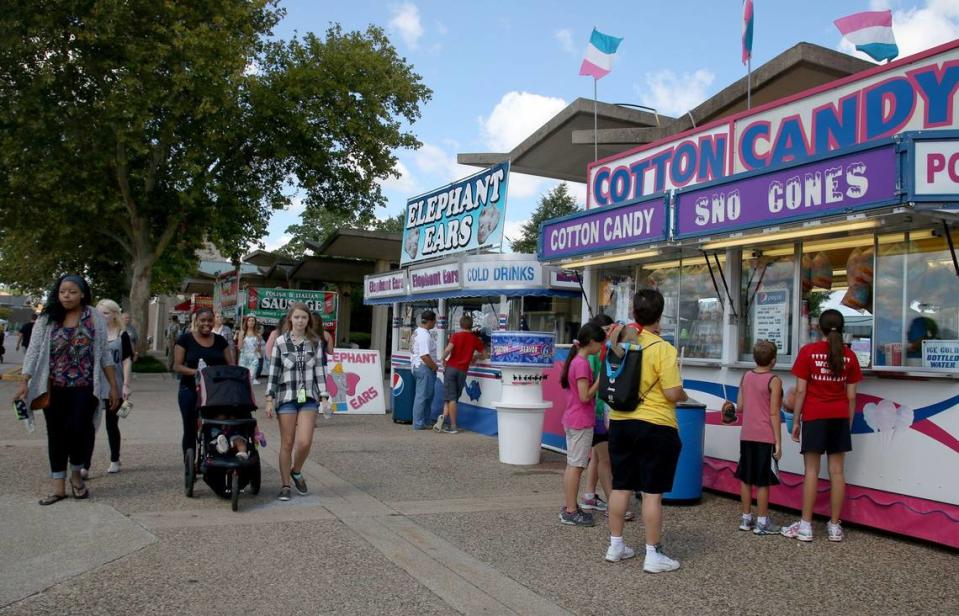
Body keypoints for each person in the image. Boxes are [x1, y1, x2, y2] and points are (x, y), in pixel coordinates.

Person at [14, 274, 120, 505]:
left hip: (84, 388)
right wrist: (25, 381)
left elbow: (104, 354)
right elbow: (33, 351)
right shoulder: (48, 317)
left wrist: (113, 387)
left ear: (82, 293)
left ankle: (77, 475)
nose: (67, 296)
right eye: (63, 292)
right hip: (54, 387)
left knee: (80, 431)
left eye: (72, 292)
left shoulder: (94, 317)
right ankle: (58, 486)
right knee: (56, 434)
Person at [604, 289, 688, 572]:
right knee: (652, 493)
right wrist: (683, 395)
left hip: (620, 421)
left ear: (635, 313)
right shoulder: (663, 348)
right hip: (655, 425)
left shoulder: (621, 341)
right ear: (660, 314)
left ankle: (615, 546)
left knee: (621, 486)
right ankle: (653, 554)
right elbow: (672, 392)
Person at [782, 309, 862, 543]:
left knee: (811, 472)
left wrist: (796, 421)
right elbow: (851, 397)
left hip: (815, 416)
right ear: (842, 327)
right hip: (839, 417)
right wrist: (847, 424)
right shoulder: (850, 356)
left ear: (820, 328)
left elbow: (801, 391)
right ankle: (835, 527)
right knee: (837, 472)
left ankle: (806, 526)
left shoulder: (808, 352)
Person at [264, 304, 330, 501]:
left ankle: (296, 470)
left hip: (308, 396)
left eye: (304, 317)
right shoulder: (280, 342)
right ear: (290, 319)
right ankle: (285, 485)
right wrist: (269, 399)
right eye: (297, 317)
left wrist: (324, 397)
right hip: (286, 397)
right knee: (287, 442)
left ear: (308, 320)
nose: (300, 321)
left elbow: (320, 371)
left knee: (304, 441)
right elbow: (274, 372)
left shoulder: (315, 342)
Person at [579, 314, 635, 523]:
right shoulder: (594, 356)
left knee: (597, 456)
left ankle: (589, 495)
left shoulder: (589, 355)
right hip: (598, 413)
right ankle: (613, 502)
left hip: (597, 413)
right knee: (605, 459)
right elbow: (594, 387)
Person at [559, 323, 606, 527]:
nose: (601, 347)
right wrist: (601, 380)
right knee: (576, 466)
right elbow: (585, 395)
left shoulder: (576, 360)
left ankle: (570, 506)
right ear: (593, 342)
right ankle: (570, 510)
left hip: (572, 418)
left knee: (573, 464)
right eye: (601, 343)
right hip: (581, 420)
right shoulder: (582, 364)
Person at [734, 340, 783, 535]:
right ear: (773, 360)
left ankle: (746, 518)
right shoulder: (774, 380)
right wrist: (778, 441)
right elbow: (774, 413)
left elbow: (740, 406)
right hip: (765, 436)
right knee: (763, 480)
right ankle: (763, 521)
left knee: (746, 477)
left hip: (747, 434)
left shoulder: (746, 376)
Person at [173, 308, 235, 458]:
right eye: (203, 320)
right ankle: (190, 461)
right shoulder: (185, 339)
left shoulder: (220, 341)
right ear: (196, 321)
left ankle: (213, 454)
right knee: (190, 428)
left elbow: (231, 365)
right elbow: (177, 366)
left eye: (209, 320)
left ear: (214, 321)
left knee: (215, 424)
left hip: (216, 392)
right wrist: (197, 372)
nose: (206, 323)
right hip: (190, 388)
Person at [83, 299, 133, 476]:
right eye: (99, 313)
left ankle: (115, 459)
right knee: (89, 426)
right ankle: (84, 465)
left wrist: (126, 385)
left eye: (105, 313)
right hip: (94, 385)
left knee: (112, 425)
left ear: (114, 315)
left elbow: (127, 360)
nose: (101, 316)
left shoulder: (122, 335)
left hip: (115, 386)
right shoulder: (90, 334)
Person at [435, 315, 485, 434]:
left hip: (451, 368)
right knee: (452, 397)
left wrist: (442, 359)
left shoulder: (456, 336)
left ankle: (453, 426)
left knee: (450, 397)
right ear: (471, 325)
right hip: (463, 371)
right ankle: (444, 417)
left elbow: (448, 349)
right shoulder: (475, 339)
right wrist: (475, 356)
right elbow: (484, 354)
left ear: (461, 324)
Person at [410, 310, 438, 430]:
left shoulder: (417, 331)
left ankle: (424, 420)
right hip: (423, 367)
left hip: (416, 366)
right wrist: (434, 367)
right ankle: (418, 423)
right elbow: (424, 355)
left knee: (426, 395)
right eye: (435, 321)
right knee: (422, 396)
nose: (435, 323)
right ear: (431, 321)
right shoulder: (424, 335)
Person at [236, 315, 262, 384]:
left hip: (254, 358)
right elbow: (239, 347)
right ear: (246, 322)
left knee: (251, 378)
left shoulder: (258, 334)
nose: (251, 322)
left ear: (255, 323)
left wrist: (258, 349)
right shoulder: (242, 333)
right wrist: (241, 339)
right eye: (249, 320)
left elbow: (259, 349)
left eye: (253, 321)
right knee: (242, 378)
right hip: (243, 358)